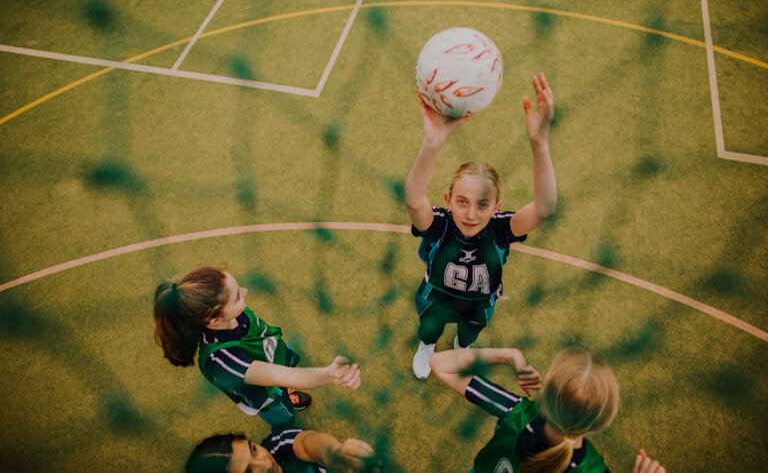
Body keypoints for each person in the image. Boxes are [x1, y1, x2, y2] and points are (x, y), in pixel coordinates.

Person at [405, 73, 557, 379]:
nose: (471, 214)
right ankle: (427, 347)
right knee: (429, 328)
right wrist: (432, 143)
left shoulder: (500, 229)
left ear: (497, 206)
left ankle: (461, 347)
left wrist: (540, 144)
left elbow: (545, 208)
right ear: (448, 199)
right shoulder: (439, 225)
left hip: (479, 303)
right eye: (462, 201)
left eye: (483, 204)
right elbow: (412, 201)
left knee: (470, 334)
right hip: (437, 296)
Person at [153, 266, 361, 430]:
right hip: (265, 393)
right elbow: (285, 376)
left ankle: (288, 394)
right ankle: (285, 428)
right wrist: (330, 374)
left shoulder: (232, 314)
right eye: (237, 297)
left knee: (284, 383)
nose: (245, 292)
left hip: (271, 354)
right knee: (283, 419)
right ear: (214, 320)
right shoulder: (223, 360)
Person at [430, 346, 667, 473]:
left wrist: (510, 355)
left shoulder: (515, 412)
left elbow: (439, 364)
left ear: (546, 396)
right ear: (602, 421)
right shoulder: (593, 469)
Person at [186, 430, 379, 473]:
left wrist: (333, 453)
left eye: (253, 450)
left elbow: (307, 442)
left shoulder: (278, 445)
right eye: (249, 472)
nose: (266, 464)